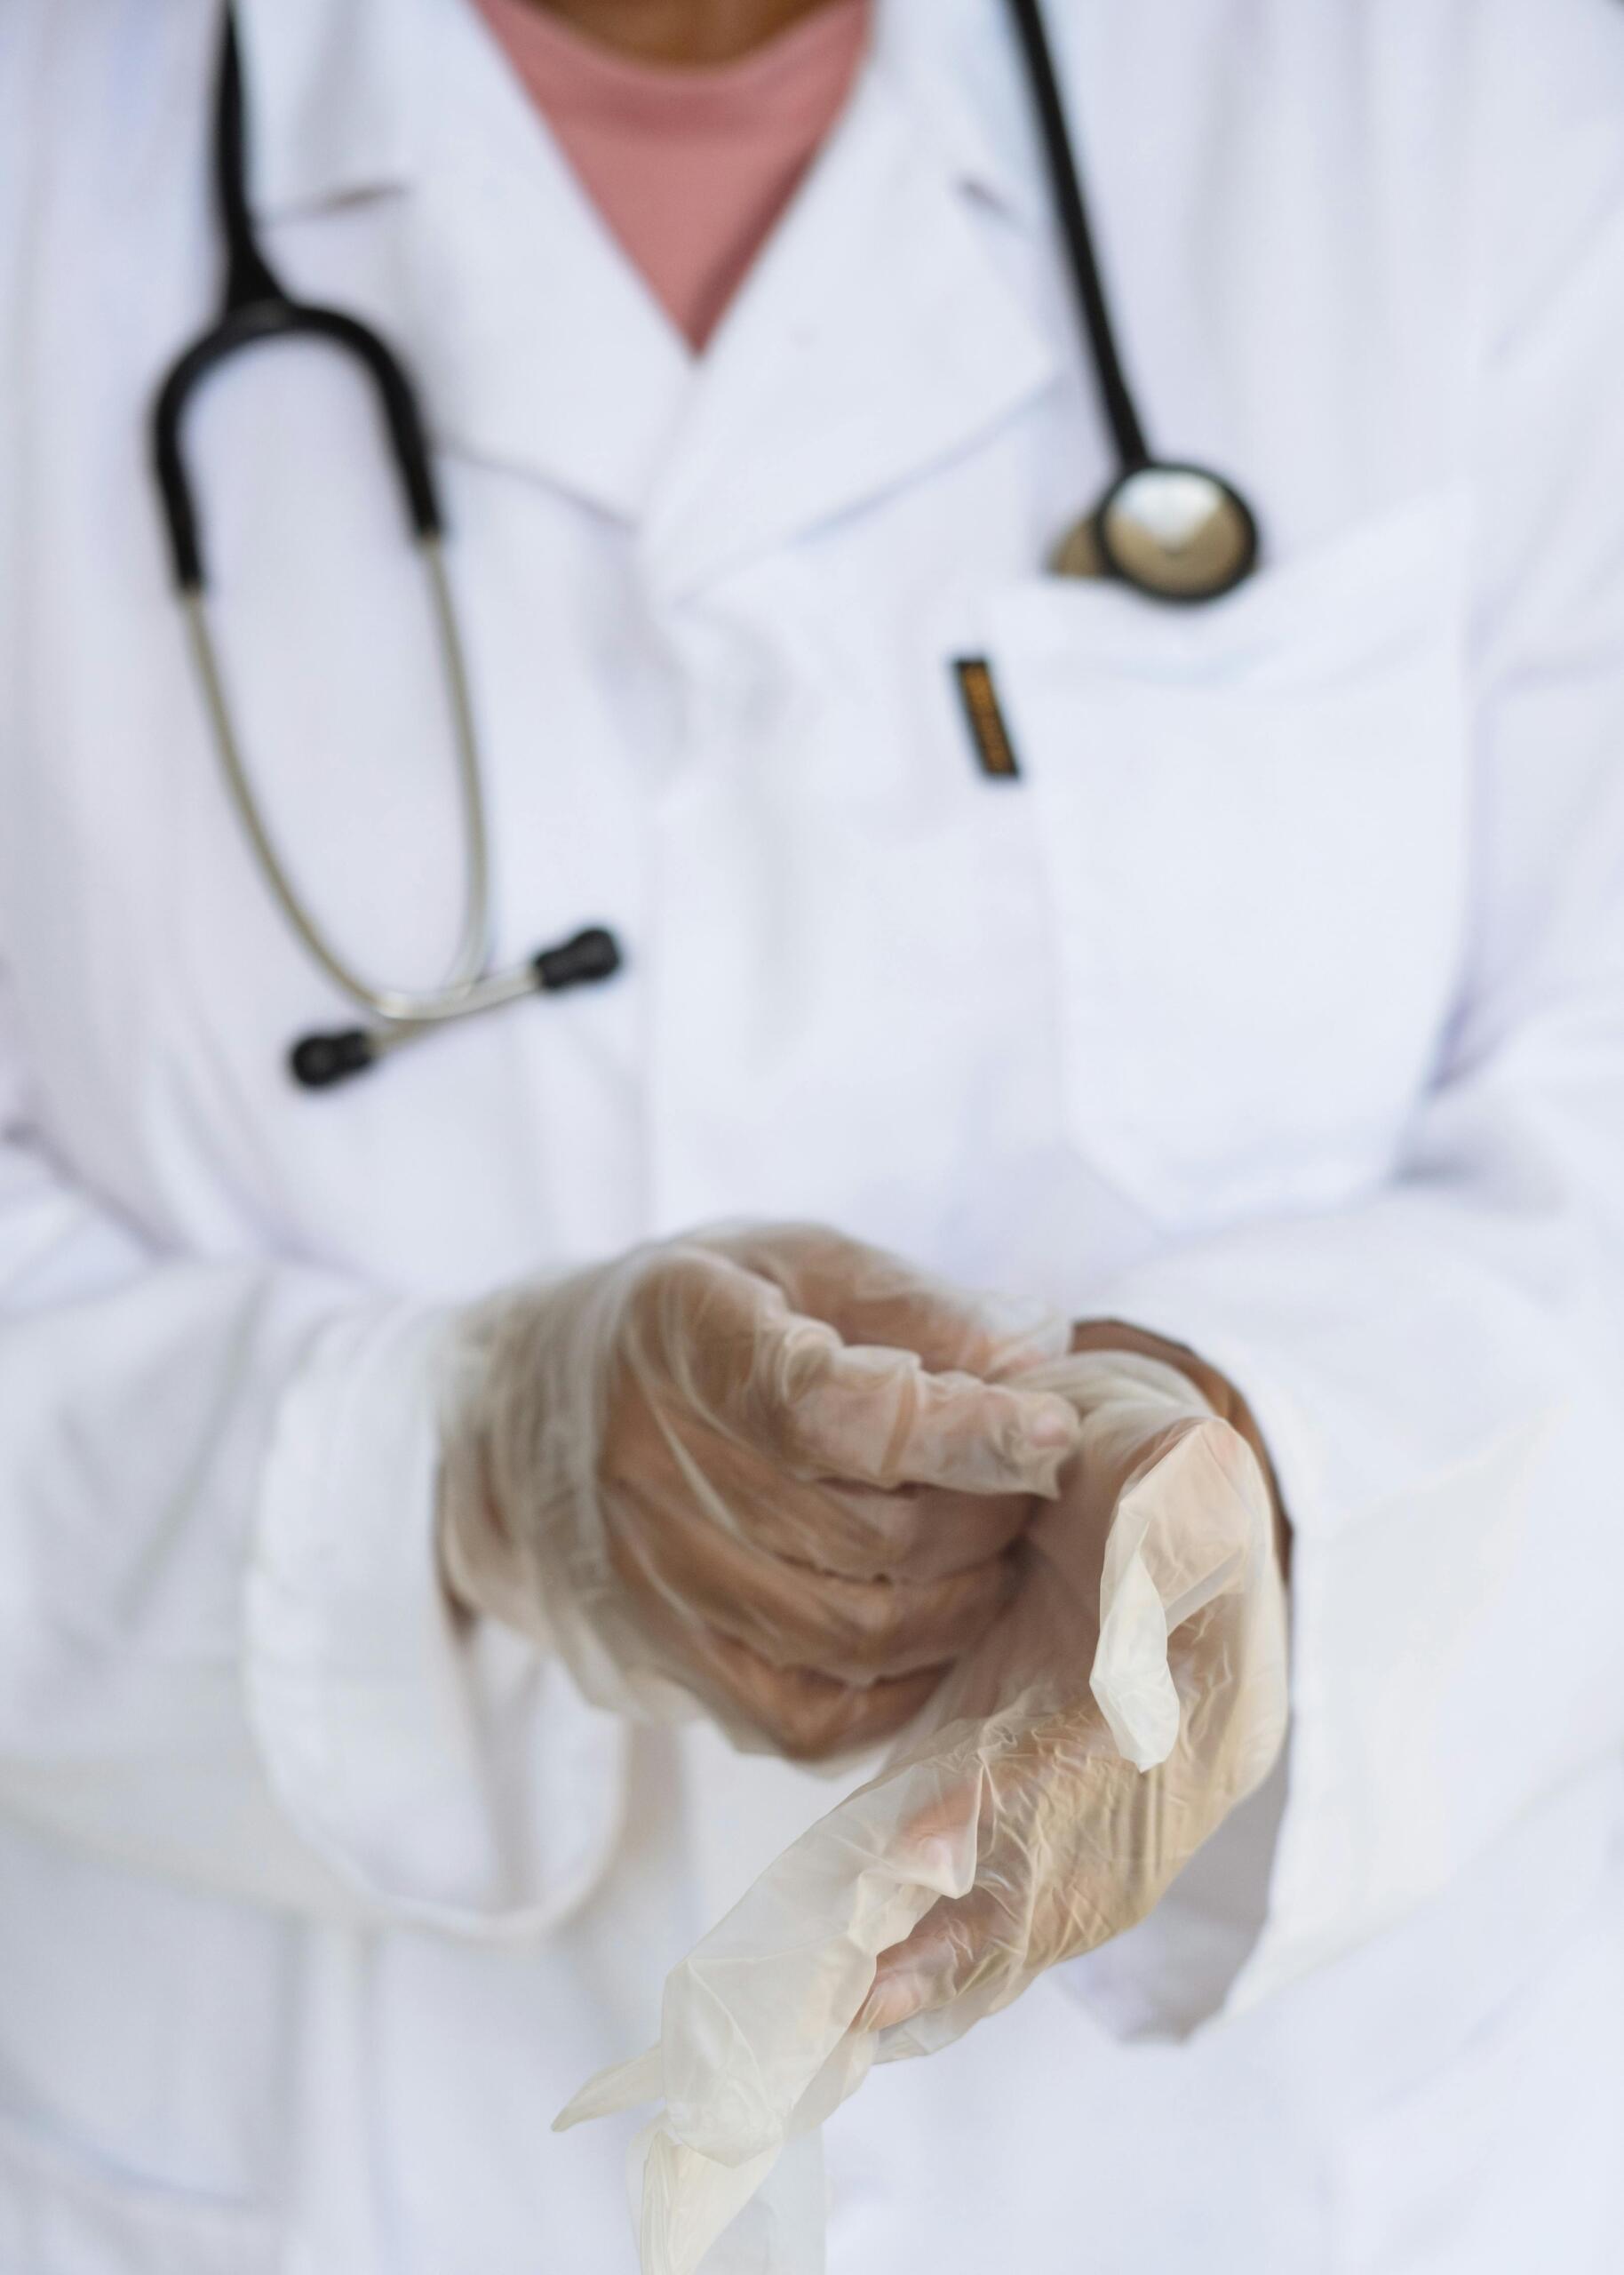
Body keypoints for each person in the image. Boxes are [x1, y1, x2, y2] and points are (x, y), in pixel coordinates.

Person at [1, 0, 1621, 2268]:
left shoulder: (1459, 86)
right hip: (324, 2169)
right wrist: (450, 1469)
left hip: (1295, 2172)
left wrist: (1263, 1455)